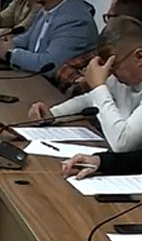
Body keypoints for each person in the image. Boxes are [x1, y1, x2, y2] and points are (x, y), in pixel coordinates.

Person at [28, 16, 142, 153]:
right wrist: (53, 114)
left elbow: (122, 143)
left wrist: (99, 87)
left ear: (139, 56)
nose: (112, 73)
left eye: (114, 65)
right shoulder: (122, 81)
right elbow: (88, 100)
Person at [55, 0, 142, 96]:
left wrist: (97, 85)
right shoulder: (109, 44)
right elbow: (64, 69)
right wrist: (84, 82)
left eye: (111, 17)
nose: (107, 23)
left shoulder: (125, 54)